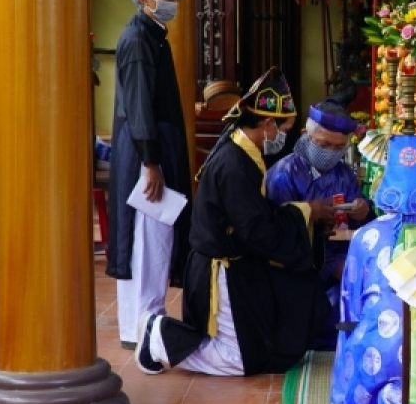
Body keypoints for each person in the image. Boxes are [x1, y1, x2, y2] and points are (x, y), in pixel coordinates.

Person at [134, 68, 337, 376]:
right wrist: (305, 214)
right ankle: (159, 337)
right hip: (220, 270)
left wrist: (305, 211)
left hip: (236, 262)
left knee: (264, 345)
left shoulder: (243, 151)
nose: (284, 137)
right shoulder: (235, 164)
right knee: (239, 359)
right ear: (268, 123)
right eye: (285, 128)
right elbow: (256, 230)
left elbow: (256, 215)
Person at [331, 134, 416, 404]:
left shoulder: (365, 236)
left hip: (376, 358)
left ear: (387, 180)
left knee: (359, 326)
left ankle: (361, 399)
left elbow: (349, 308)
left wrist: (341, 391)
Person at [107, 0, 192, 350]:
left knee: (157, 239)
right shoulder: (138, 39)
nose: (172, 1)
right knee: (144, 240)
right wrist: (151, 162)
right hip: (145, 156)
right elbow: (139, 105)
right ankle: (139, 328)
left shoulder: (154, 35)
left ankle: (148, 320)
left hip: (153, 151)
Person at [266, 98, 374, 293]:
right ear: (306, 135)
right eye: (324, 145)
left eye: (339, 148)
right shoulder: (284, 175)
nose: (331, 153)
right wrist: (330, 266)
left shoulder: (343, 173)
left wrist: (363, 209)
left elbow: (357, 225)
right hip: (297, 278)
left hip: (344, 268)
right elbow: (279, 236)